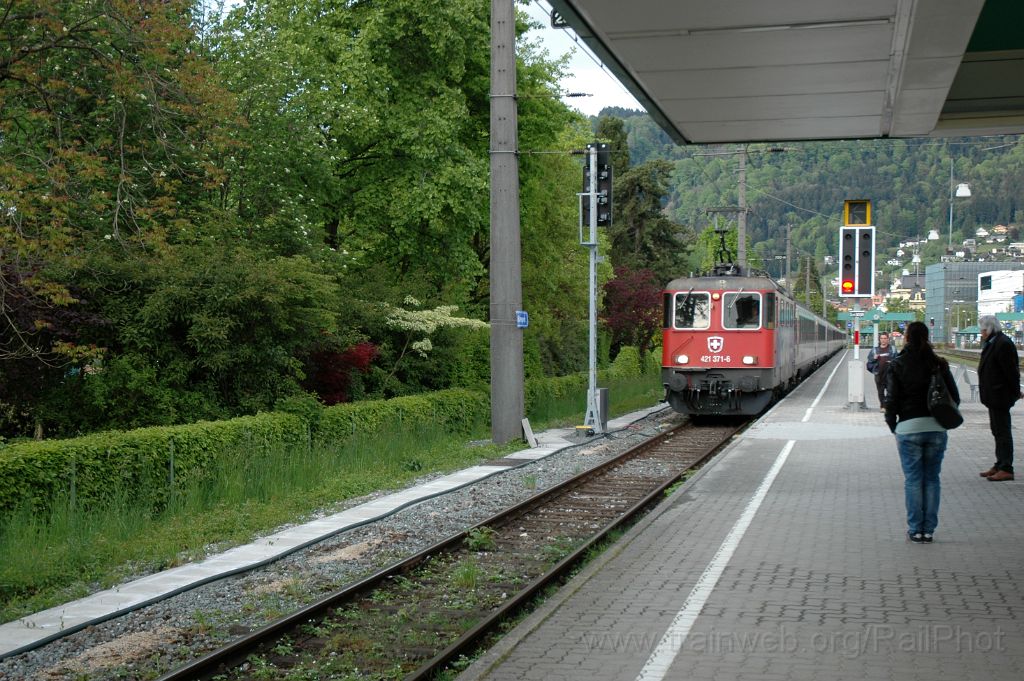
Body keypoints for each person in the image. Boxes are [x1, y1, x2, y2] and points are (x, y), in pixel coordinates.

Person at [884, 321, 959, 543]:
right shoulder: (939, 364)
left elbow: (891, 400)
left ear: (906, 337)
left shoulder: (897, 364)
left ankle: (915, 529)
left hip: (908, 428)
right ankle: (929, 530)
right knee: (932, 480)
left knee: (913, 480)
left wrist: (893, 425)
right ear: (927, 337)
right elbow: (954, 397)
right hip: (936, 429)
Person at [977, 315, 1022, 482]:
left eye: (982, 329)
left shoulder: (1003, 344)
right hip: (993, 395)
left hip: (1000, 395)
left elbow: (1011, 372)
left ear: (988, 329)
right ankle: (999, 463)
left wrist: (1016, 392)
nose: (981, 333)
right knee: (997, 430)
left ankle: (1006, 468)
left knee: (1003, 432)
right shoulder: (994, 342)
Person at [866, 332, 895, 412]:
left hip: (890, 374)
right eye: (881, 338)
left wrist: (892, 362)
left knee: (891, 391)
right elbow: (869, 362)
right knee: (880, 391)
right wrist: (874, 358)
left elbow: (897, 360)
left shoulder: (893, 349)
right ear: (879, 339)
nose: (883, 340)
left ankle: (887, 405)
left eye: (885, 338)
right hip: (879, 373)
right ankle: (882, 406)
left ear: (888, 339)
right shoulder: (875, 350)